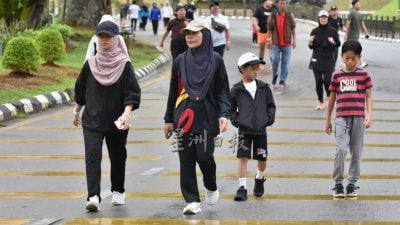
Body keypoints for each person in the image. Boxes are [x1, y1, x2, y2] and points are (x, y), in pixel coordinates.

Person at [163, 19, 230, 214]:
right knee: (186, 159)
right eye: (187, 34)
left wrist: (224, 115)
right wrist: (168, 119)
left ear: (205, 35)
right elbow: (173, 92)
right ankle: (192, 200)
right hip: (183, 116)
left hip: (208, 117)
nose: (189, 37)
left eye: (194, 33)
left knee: (204, 156)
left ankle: (211, 185)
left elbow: (223, 91)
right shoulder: (180, 60)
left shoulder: (216, 60)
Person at [73, 21, 141, 212]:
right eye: (100, 36)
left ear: (116, 39)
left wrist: (127, 114)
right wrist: (77, 111)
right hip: (92, 120)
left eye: (108, 37)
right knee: (92, 157)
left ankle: (118, 190)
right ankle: (93, 195)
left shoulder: (124, 64)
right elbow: (81, 90)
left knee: (118, 156)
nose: (104, 40)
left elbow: (132, 92)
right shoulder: (91, 63)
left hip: (117, 120)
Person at [325, 40, 373, 199]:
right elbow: (332, 99)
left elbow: (369, 96)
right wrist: (328, 120)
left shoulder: (364, 75)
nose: (350, 62)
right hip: (341, 118)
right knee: (341, 150)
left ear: (359, 58)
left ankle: (352, 184)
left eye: (354, 58)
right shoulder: (337, 75)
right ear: (342, 57)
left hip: (358, 118)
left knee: (356, 153)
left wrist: (369, 115)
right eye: (347, 58)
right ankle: (338, 184)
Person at [230, 52, 276, 201]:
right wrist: (238, 121)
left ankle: (259, 177)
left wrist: (268, 119)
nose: (256, 71)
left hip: (261, 130)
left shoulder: (264, 88)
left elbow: (271, 106)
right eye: (252, 68)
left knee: (262, 158)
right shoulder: (236, 89)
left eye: (257, 68)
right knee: (243, 157)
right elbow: (230, 110)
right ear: (242, 69)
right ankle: (242, 187)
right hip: (244, 129)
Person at [308, 10, 341, 110]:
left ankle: (329, 95)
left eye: (325, 17)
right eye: (321, 17)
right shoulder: (314, 31)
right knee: (318, 81)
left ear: (327, 19)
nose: (323, 19)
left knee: (327, 81)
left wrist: (333, 42)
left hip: (328, 59)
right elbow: (311, 47)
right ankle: (320, 102)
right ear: (319, 19)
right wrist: (310, 42)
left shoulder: (333, 31)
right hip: (316, 58)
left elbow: (338, 44)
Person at [267, 0, 296, 88]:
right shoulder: (273, 16)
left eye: (284, 3)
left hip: (287, 44)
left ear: (286, 5)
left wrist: (294, 40)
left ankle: (282, 80)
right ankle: (275, 75)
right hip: (276, 43)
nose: (282, 5)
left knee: (285, 63)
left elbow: (293, 28)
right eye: (280, 3)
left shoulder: (289, 16)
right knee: (275, 60)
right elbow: (269, 29)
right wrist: (268, 40)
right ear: (277, 4)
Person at [345, 0, 369, 68]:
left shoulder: (360, 15)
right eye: (357, 4)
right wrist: (346, 34)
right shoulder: (351, 14)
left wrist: (366, 33)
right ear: (353, 5)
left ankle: (346, 62)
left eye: (359, 4)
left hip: (357, 35)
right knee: (357, 48)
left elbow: (363, 24)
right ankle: (361, 62)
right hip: (352, 35)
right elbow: (348, 23)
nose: (359, 5)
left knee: (350, 49)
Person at [252, 0, 276, 66]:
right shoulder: (259, 10)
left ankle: (273, 64)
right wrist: (256, 25)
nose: (271, 2)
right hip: (262, 32)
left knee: (270, 47)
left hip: (271, 32)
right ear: (265, 1)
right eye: (270, 0)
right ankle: (260, 63)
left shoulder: (274, 9)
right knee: (261, 48)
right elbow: (254, 18)